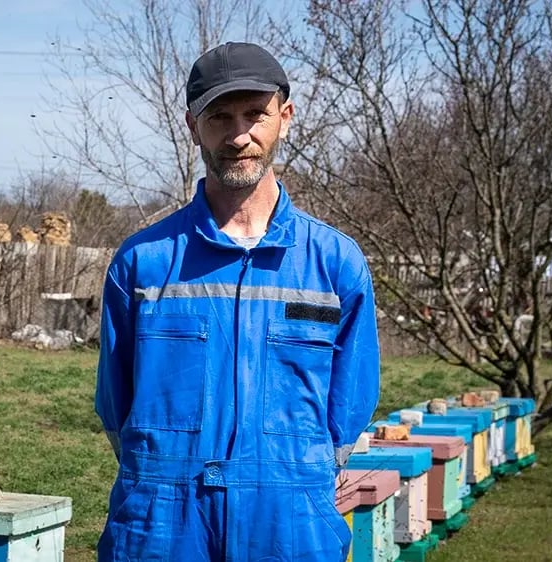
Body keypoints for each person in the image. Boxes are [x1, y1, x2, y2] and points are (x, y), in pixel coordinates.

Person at [95, 41, 380, 561]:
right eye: (219, 116)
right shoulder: (144, 262)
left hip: (290, 523)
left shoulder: (336, 263)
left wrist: (299, 477)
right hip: (163, 521)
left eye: (255, 114)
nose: (239, 135)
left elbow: (351, 404)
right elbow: (116, 405)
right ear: (192, 124)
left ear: (285, 118)